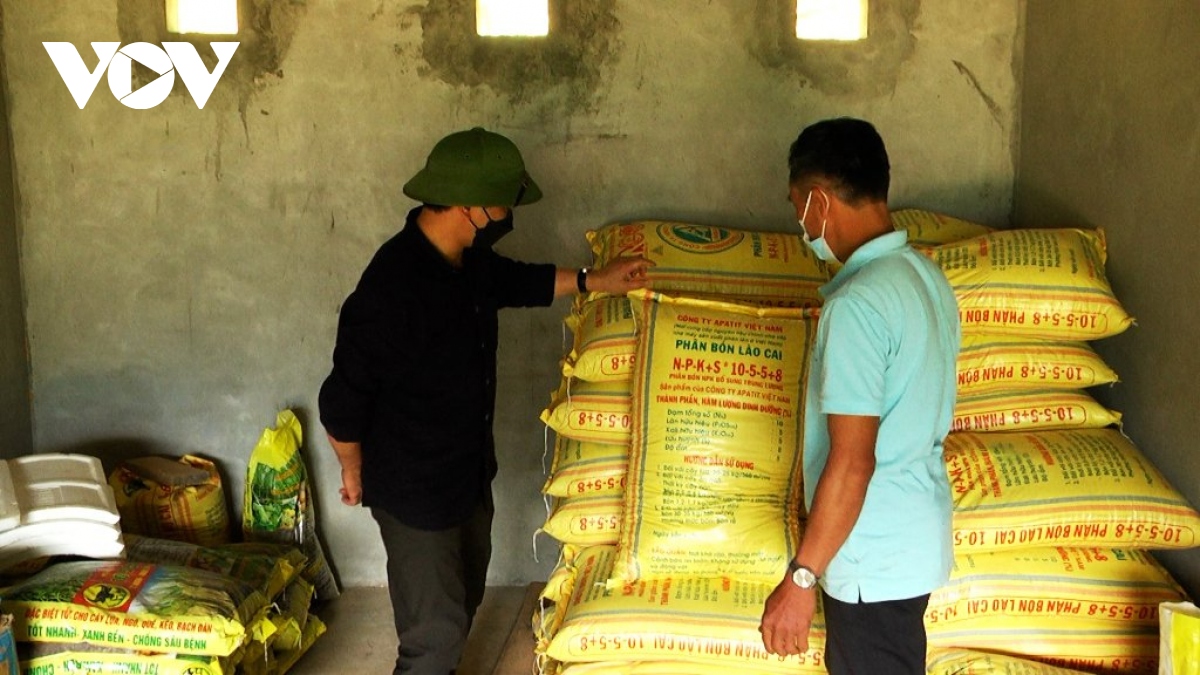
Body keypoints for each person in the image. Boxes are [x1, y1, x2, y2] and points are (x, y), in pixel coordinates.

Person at [318, 127, 650, 675]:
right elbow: (341, 404)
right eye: (501, 204)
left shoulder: (467, 262)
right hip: (414, 490)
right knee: (433, 636)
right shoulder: (392, 289)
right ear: (468, 206)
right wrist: (353, 473)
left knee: (464, 600)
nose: (506, 215)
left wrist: (598, 280)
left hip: (467, 475)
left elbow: (521, 282)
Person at [758, 118, 961, 674]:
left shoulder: (858, 305)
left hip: (872, 551)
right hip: (910, 539)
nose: (801, 223)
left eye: (798, 206)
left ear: (820, 202)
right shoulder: (925, 277)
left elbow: (852, 461)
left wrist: (801, 578)